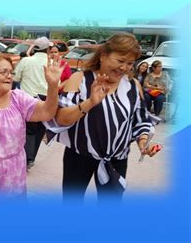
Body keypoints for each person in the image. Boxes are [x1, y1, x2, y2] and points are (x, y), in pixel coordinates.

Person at [47, 32, 160, 203]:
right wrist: (90, 102)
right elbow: (61, 118)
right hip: (79, 156)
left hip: (117, 159)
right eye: (120, 61)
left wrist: (144, 142)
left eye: (130, 63)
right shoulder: (80, 79)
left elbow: (140, 120)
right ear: (104, 56)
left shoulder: (132, 86)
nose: (124, 68)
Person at [0, 53, 63, 198]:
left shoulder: (18, 98)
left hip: (13, 171)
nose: (9, 76)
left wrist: (52, 86)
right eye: (3, 72)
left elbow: (47, 112)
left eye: (11, 72)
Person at [13, 37, 52, 169]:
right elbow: (55, 84)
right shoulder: (51, 63)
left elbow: (16, 77)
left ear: (34, 48)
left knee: (28, 130)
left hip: (28, 99)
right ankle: (31, 157)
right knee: (40, 131)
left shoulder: (26, 61)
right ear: (48, 49)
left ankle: (27, 158)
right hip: (46, 100)